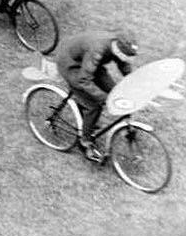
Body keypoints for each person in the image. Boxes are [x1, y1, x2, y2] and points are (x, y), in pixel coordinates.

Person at [55, 30, 138, 161]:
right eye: (125, 56)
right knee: (94, 106)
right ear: (117, 49)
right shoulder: (98, 50)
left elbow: (123, 63)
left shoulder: (116, 44)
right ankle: (85, 142)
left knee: (115, 91)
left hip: (88, 63)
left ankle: (84, 113)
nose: (127, 60)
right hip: (71, 64)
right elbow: (84, 80)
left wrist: (132, 81)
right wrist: (103, 98)